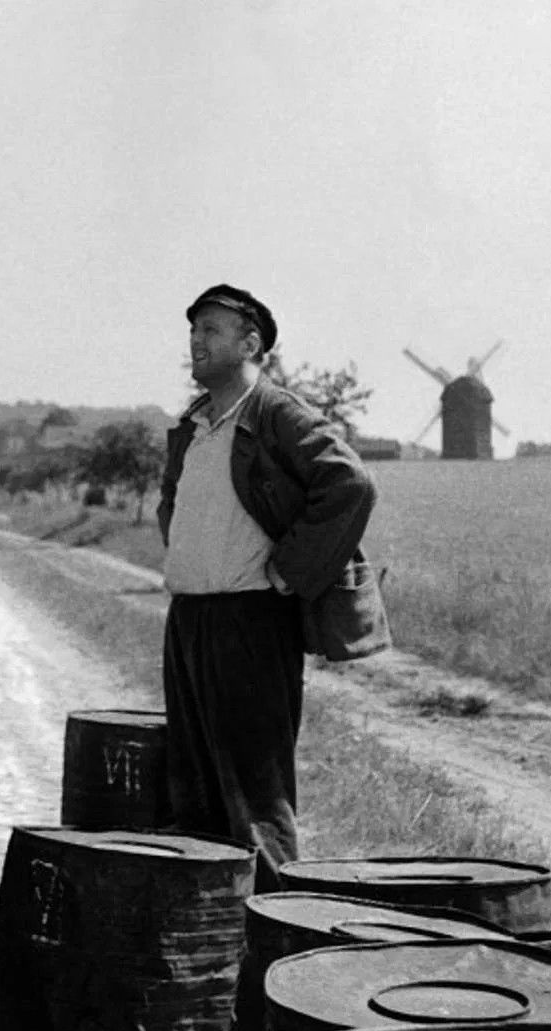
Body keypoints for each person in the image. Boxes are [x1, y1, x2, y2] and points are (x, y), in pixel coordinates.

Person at [156, 284, 376, 893]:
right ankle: (212, 929)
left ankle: (276, 921)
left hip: (250, 623)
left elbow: (350, 485)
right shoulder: (195, 423)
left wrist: (293, 570)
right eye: (194, 330)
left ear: (250, 344)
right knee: (194, 790)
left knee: (255, 796)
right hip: (190, 620)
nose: (196, 341)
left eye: (212, 330)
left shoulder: (274, 412)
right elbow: (172, 503)